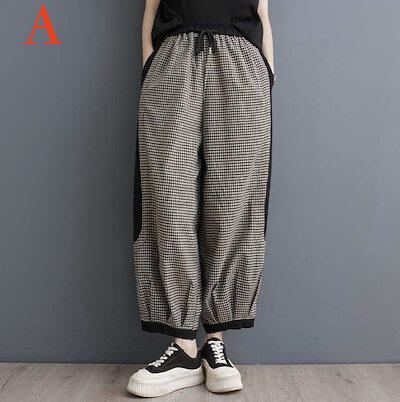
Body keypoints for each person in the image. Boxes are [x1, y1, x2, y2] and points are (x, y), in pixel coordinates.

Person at [128, 0, 275, 397]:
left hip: (242, 66)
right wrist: (149, 65)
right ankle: (183, 347)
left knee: (234, 204)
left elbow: (262, 12)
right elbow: (151, 9)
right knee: (167, 199)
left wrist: (268, 71)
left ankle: (215, 344)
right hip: (173, 63)